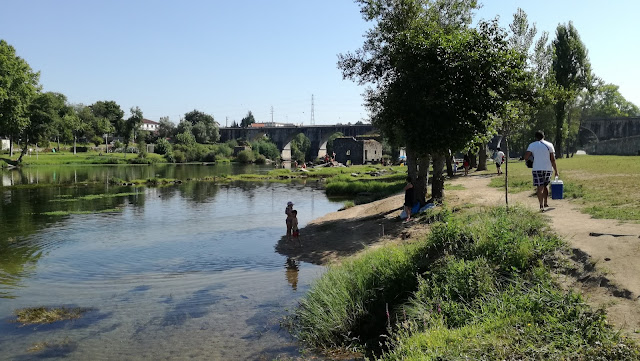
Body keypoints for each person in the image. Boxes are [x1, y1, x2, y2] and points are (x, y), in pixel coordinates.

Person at [524, 130, 559, 212]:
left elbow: (526, 157)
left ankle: (541, 205)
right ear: (544, 136)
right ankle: (546, 202)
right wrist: (556, 171)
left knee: (539, 187)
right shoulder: (549, 145)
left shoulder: (532, 145)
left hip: (537, 168)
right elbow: (553, 159)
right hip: (547, 168)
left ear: (535, 137)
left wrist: (532, 156)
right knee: (546, 185)